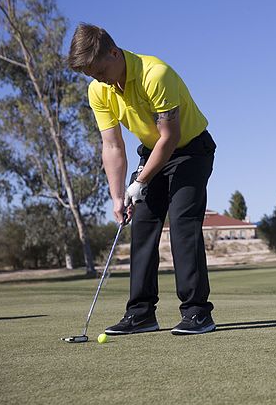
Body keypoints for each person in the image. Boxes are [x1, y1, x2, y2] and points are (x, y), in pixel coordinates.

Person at [68, 23, 217, 335]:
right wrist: (118, 196)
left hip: (191, 150)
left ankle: (197, 313)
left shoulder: (155, 74)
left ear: (113, 52)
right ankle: (141, 314)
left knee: (181, 222)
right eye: (91, 75)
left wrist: (140, 180)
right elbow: (112, 145)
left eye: (99, 70)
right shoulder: (99, 90)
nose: (98, 79)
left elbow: (171, 137)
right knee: (143, 223)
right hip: (152, 152)